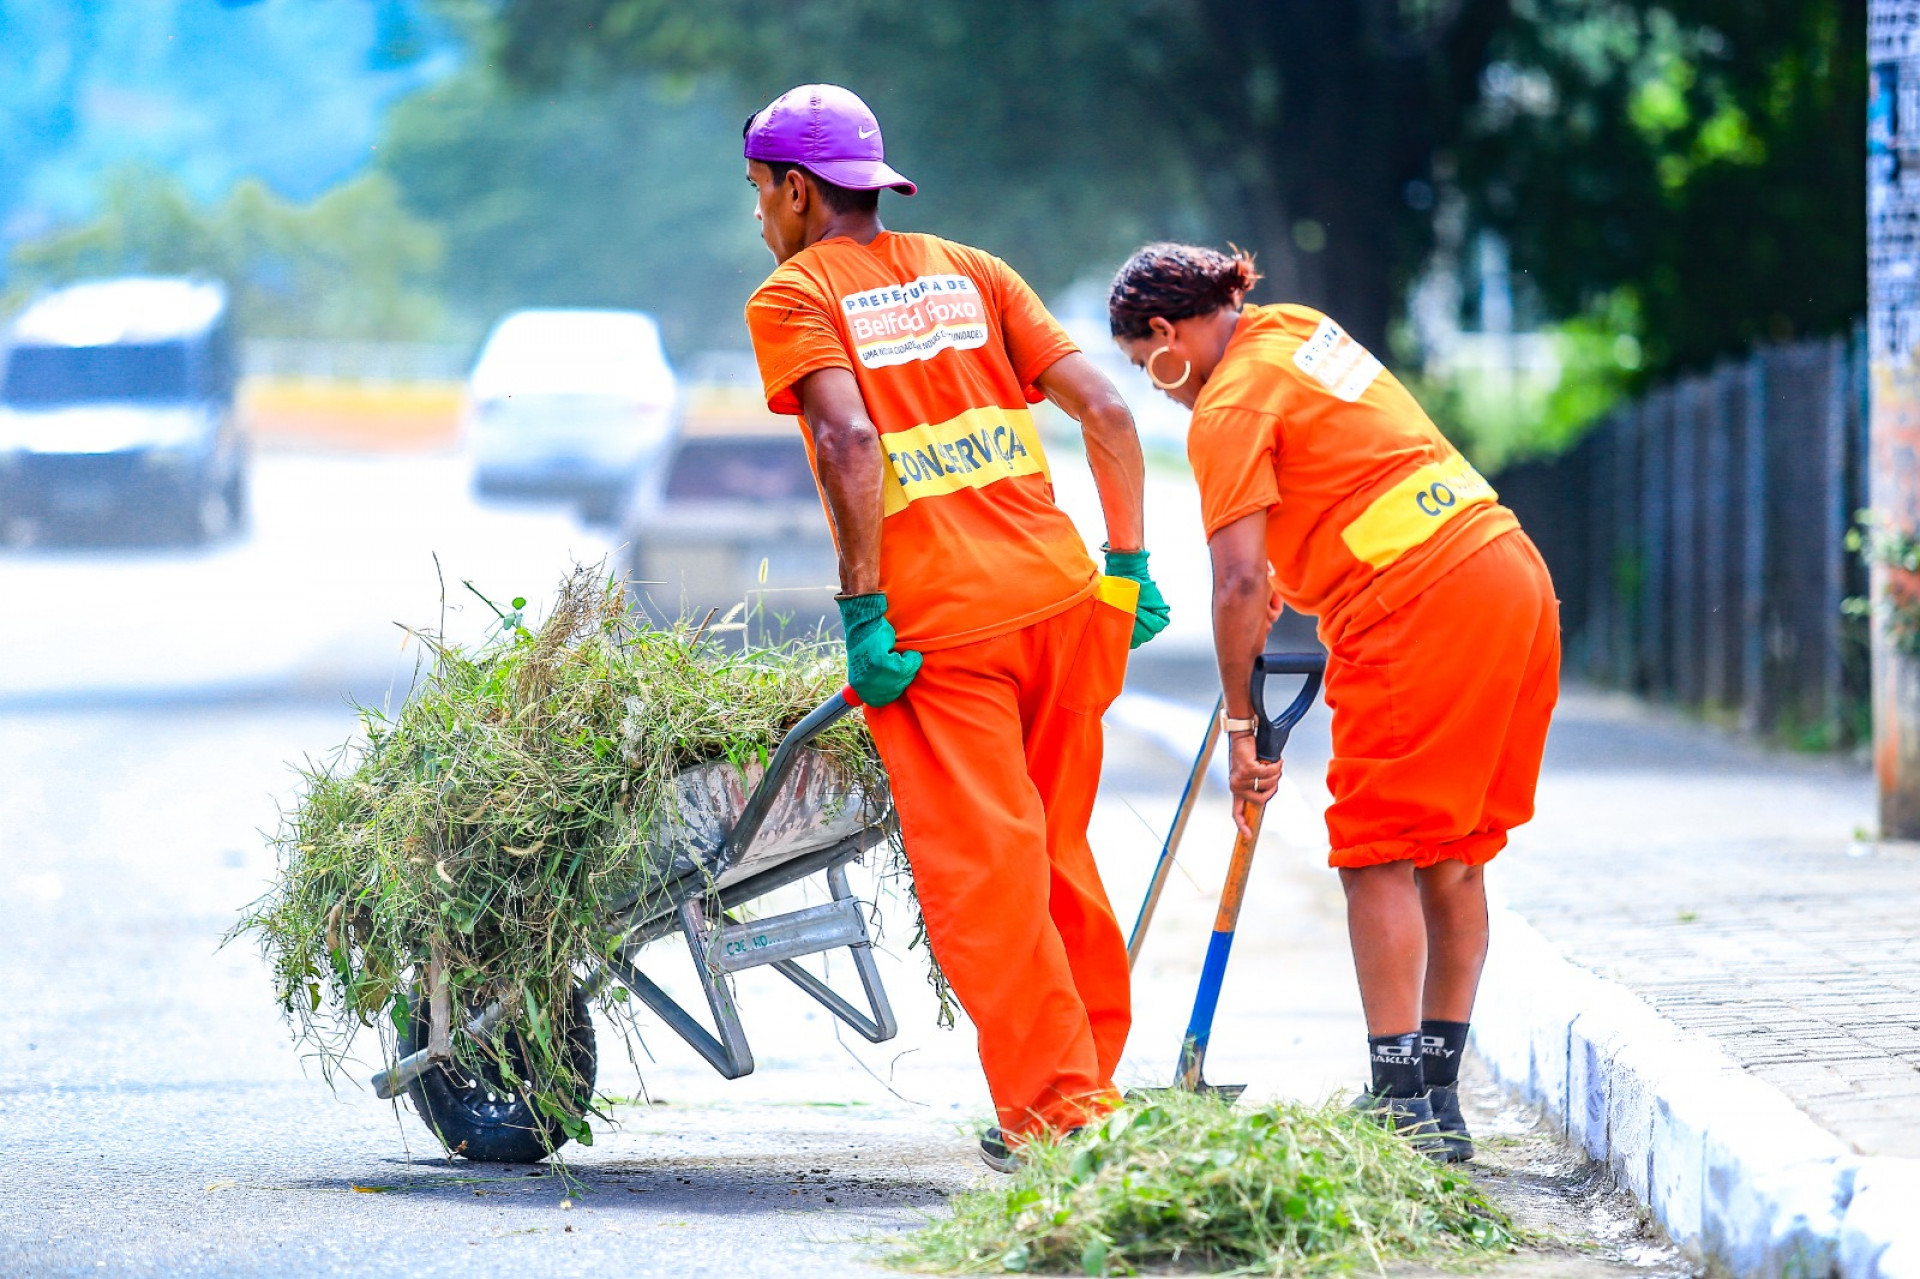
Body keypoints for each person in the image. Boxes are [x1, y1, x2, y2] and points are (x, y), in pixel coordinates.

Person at [738, 84, 1171, 1170]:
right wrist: (1129, 565)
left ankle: (1060, 1116)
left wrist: (861, 610)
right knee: (1056, 850)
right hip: (1064, 603)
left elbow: (847, 444)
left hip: (946, 635)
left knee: (989, 874)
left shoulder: (795, 295)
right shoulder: (973, 269)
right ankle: (1092, 1087)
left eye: (757, 193)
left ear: (796, 189)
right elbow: (1111, 414)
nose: (757, 217)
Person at [1107, 243, 1560, 1161]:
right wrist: (1286, 565)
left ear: (1166, 333)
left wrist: (1242, 725)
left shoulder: (1226, 406)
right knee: (1456, 853)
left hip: (1418, 601)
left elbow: (1234, 586)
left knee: (1378, 854)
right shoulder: (1298, 331)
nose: (1154, 387)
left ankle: (1398, 1099)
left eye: (1141, 365)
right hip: (1507, 570)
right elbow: (1352, 457)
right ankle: (1435, 1097)